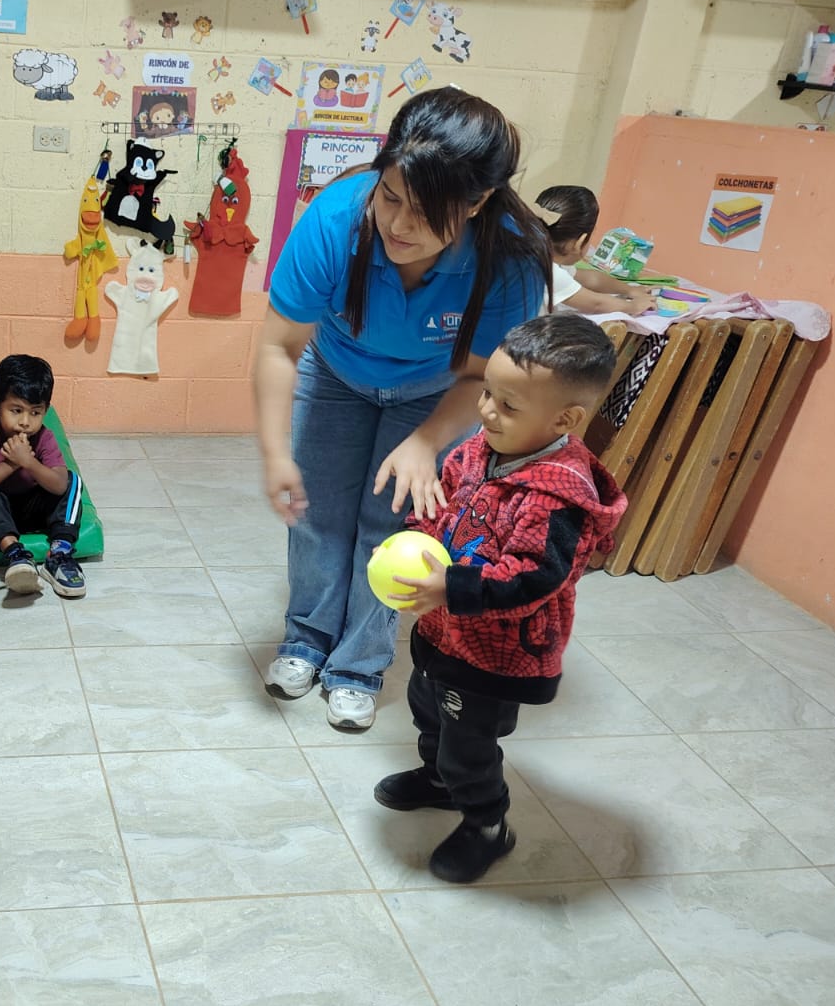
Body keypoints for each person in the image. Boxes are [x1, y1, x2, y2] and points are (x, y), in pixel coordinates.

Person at [254, 86, 551, 732]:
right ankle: (305, 640)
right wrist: (276, 452)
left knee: (389, 527)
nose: (398, 225)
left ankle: (357, 666)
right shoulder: (336, 219)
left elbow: (480, 375)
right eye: (389, 196)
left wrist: (427, 440)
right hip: (335, 373)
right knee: (315, 514)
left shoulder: (510, 259)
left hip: (436, 391)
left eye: (425, 213)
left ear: (476, 203)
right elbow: (280, 347)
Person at [375, 314, 627, 882]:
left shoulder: (559, 496)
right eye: (487, 392)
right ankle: (438, 780)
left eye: (508, 405)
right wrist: (412, 539)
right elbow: (439, 506)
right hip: (445, 630)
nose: (487, 411)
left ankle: (487, 825)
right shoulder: (478, 449)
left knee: (468, 745)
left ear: (565, 419)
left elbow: (535, 578)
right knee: (426, 706)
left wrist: (453, 587)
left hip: (496, 653)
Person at [0, 354, 87, 598]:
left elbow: (59, 485)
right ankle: (16, 555)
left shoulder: (44, 438)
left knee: (71, 480)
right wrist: (11, 464)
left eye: (35, 412)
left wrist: (29, 462)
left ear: (46, 410)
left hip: (36, 509)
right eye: (16, 410)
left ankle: (59, 554)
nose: (25, 422)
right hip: (1, 515)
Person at [535, 185, 652, 317]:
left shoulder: (542, 257)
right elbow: (596, 304)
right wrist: (633, 306)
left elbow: (592, 279)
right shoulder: (548, 272)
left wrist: (630, 290)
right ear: (579, 243)